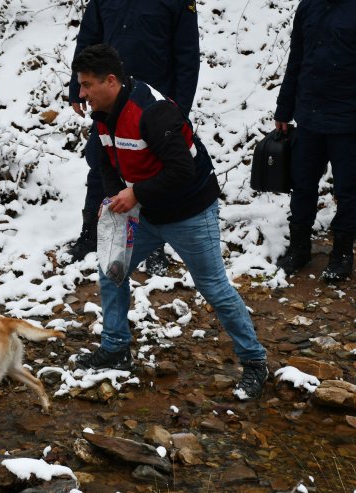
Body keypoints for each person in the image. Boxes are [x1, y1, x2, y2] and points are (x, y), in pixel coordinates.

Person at [70, 44, 269, 401]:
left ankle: (255, 361)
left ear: (110, 81)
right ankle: (115, 349)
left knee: (213, 286)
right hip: (146, 211)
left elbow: (182, 170)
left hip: (190, 210)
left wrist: (135, 194)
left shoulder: (152, 111)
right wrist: (116, 199)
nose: (81, 93)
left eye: (86, 85)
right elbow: (106, 164)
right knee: (112, 270)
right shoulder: (102, 114)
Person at [66, 0, 201, 276]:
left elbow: (187, 57)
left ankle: (154, 245)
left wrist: (178, 113)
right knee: (101, 165)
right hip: (109, 99)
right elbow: (88, 41)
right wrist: (75, 88)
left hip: (152, 105)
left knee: (151, 172)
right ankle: (91, 234)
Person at [274, 0, 356, 281]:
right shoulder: (309, 5)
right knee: (302, 184)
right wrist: (284, 108)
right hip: (309, 114)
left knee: (348, 189)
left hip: (350, 120)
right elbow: (297, 58)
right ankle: (299, 249)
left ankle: (342, 255)